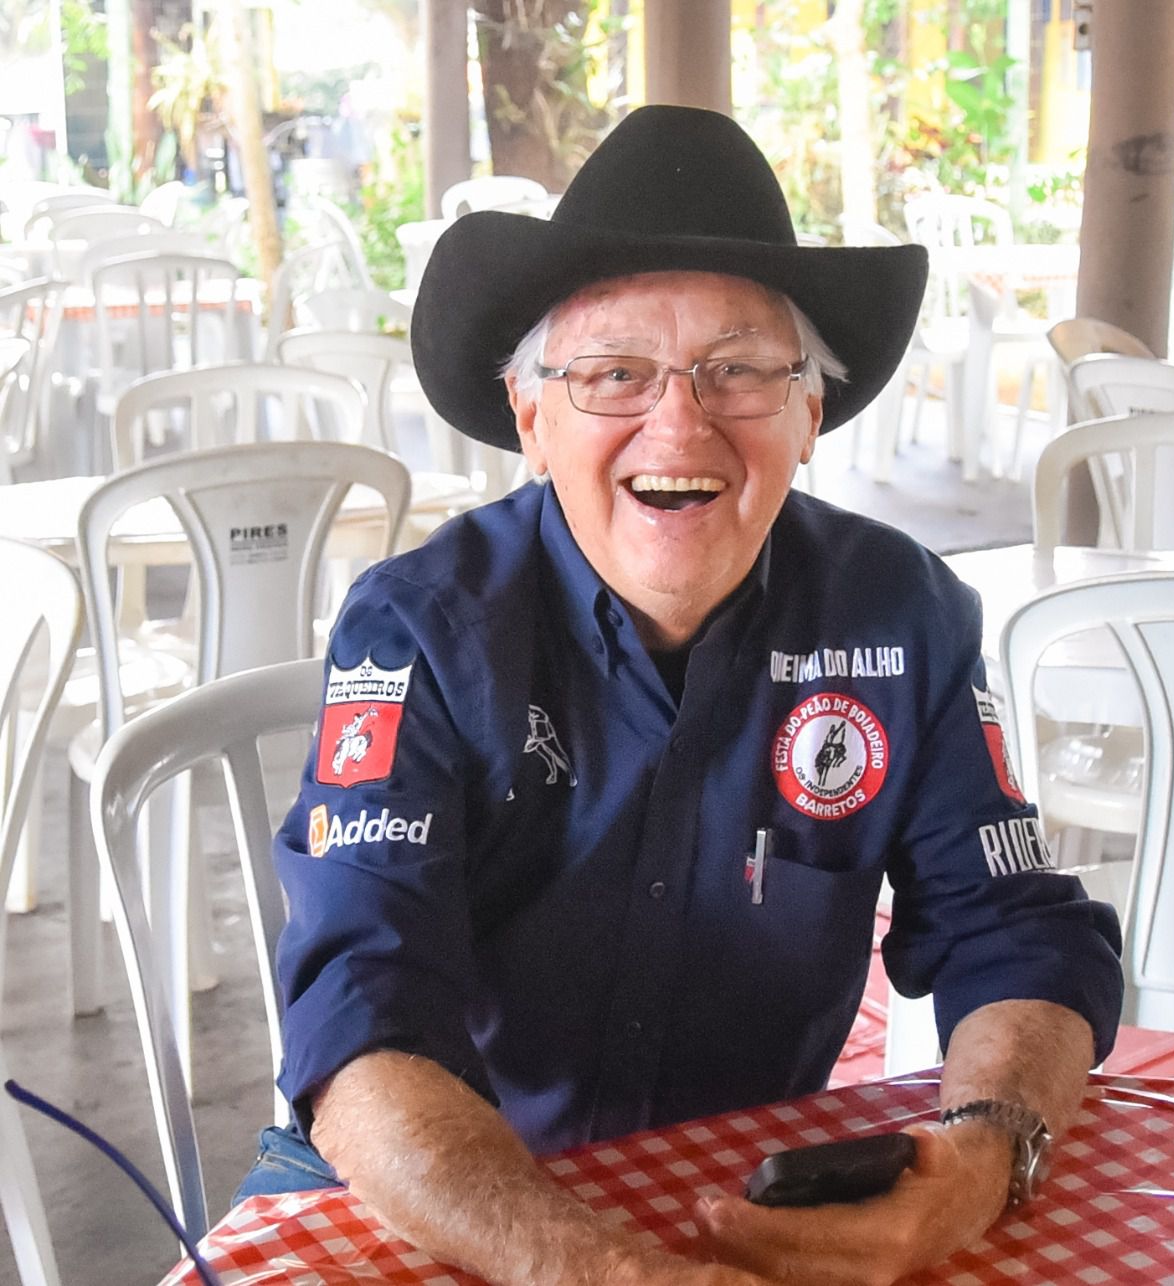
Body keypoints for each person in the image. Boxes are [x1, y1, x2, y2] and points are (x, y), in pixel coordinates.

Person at [251, 105, 1123, 1285]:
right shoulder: (420, 627)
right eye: (615, 372)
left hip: (737, 1186)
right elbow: (363, 1008)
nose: (681, 423)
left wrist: (986, 1149)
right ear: (531, 415)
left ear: (809, 411)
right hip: (432, 1190)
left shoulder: (897, 610)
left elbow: (1016, 928)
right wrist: (599, 1269)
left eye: (740, 369)